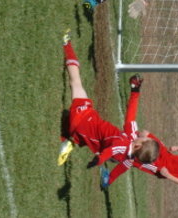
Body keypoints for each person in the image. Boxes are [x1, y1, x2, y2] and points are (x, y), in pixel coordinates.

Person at [58, 30, 159, 189]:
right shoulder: (130, 154)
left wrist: (99, 159)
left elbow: (112, 150)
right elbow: (131, 116)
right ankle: (70, 139)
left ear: (138, 145)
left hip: (83, 120)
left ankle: (66, 43)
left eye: (146, 139)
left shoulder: (124, 144)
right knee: (87, 132)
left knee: (76, 82)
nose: (146, 135)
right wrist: (135, 91)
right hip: (87, 130)